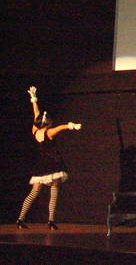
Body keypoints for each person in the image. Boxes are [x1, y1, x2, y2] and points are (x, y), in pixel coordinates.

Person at [16, 86, 82, 230]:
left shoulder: (35, 131)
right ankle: (51, 220)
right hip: (52, 164)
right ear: (48, 123)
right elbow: (61, 127)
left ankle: (20, 219)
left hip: (40, 165)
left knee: (34, 192)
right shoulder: (49, 132)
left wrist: (34, 99)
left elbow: (36, 114)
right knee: (54, 190)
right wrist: (72, 126)